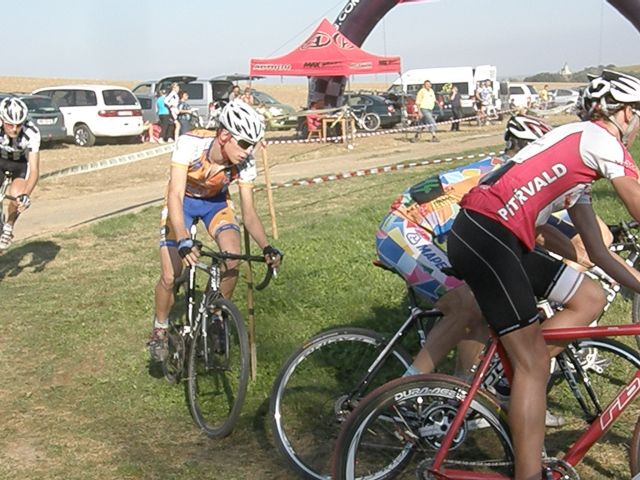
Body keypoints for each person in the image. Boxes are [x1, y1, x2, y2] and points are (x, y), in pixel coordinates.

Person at [447, 69, 640, 480]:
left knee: (589, 297)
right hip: (488, 234)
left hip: (492, 235)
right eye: (639, 116)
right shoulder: (600, 139)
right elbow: (636, 200)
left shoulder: (580, 155)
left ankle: (514, 372)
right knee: (534, 364)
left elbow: (599, 253)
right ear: (624, 113)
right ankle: (529, 471)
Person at [376, 115, 607, 427]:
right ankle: (401, 397)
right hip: (402, 230)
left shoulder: (508, 170)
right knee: (466, 304)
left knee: (485, 303)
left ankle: (463, 394)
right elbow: (540, 234)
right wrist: (583, 256)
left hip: (422, 231)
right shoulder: (509, 175)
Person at [147, 100, 283, 361]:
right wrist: (183, 239)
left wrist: (266, 247)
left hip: (215, 204)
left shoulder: (245, 163)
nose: (248, 151)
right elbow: (175, 194)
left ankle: (216, 315)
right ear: (224, 136)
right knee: (170, 275)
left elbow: (249, 214)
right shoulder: (190, 144)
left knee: (232, 257)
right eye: (244, 143)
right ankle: (160, 329)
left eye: (253, 144)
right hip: (182, 202)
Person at [0, 97, 41, 251]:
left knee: (17, 196)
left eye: (19, 125)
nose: (14, 129)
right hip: (0, 160)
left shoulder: (32, 132)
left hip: (20, 164)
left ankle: (8, 226)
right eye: (10, 124)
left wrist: (26, 195)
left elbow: (34, 170)